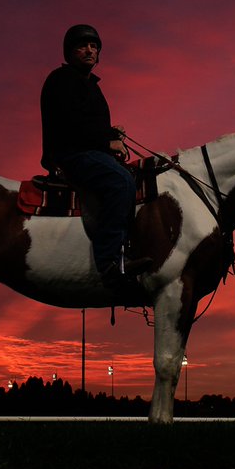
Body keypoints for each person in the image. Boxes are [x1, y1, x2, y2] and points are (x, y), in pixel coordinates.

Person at [40, 24, 152, 286]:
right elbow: (70, 124)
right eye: (83, 46)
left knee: (135, 175)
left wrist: (111, 133)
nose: (90, 50)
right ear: (69, 52)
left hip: (88, 150)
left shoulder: (90, 85)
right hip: (71, 155)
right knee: (121, 182)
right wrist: (107, 141)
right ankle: (109, 262)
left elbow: (87, 123)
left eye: (94, 46)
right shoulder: (61, 79)